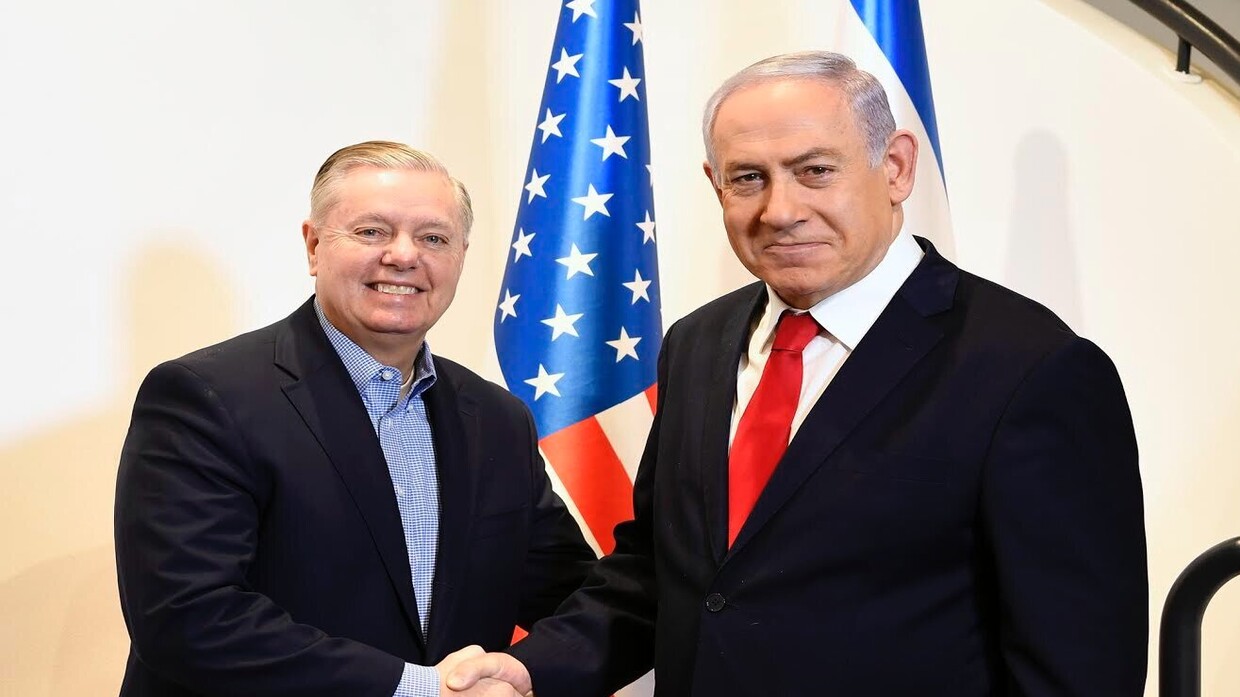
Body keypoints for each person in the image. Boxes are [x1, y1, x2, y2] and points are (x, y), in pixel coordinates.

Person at [447, 51, 1149, 696]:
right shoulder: (697, 344)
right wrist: (532, 668)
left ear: (896, 167)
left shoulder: (1032, 368)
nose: (780, 211)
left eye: (815, 170)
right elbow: (662, 577)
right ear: (716, 186)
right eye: (748, 178)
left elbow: (1078, 664)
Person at [114, 141, 595, 697]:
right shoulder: (204, 397)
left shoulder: (498, 418)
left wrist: (525, 671)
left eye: (433, 238)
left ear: (461, 256)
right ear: (314, 246)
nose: (404, 256)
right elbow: (187, 617)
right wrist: (421, 690)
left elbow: (570, 593)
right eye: (372, 231)